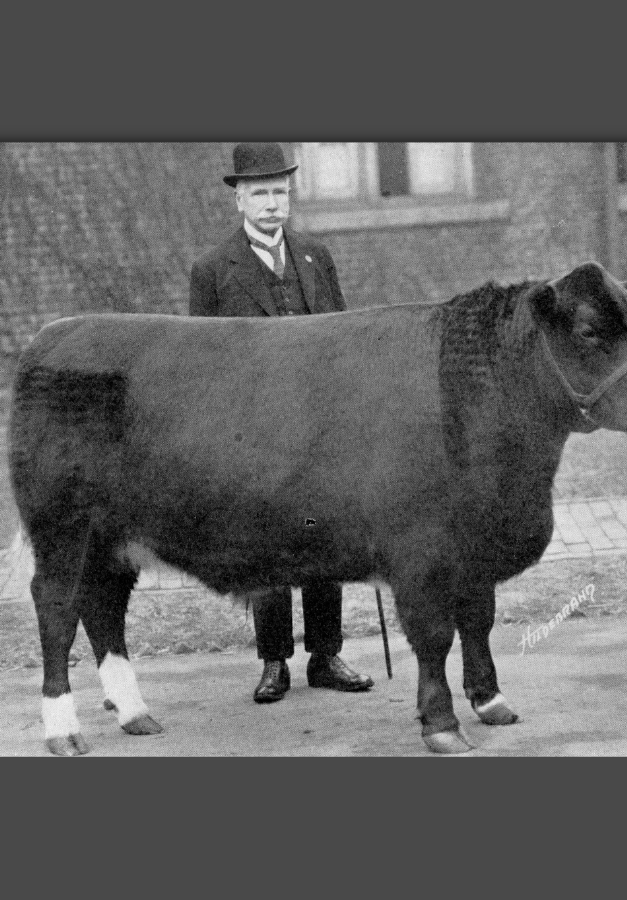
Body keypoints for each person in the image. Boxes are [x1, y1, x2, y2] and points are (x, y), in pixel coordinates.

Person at [188, 142, 375, 704]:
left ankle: (326, 654)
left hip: (318, 430)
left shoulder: (316, 256)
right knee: (267, 545)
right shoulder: (213, 271)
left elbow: (343, 339)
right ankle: (274, 661)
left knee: (324, 539)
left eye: (280, 192)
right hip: (257, 436)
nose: (272, 203)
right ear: (239, 199)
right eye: (260, 193)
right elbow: (206, 361)